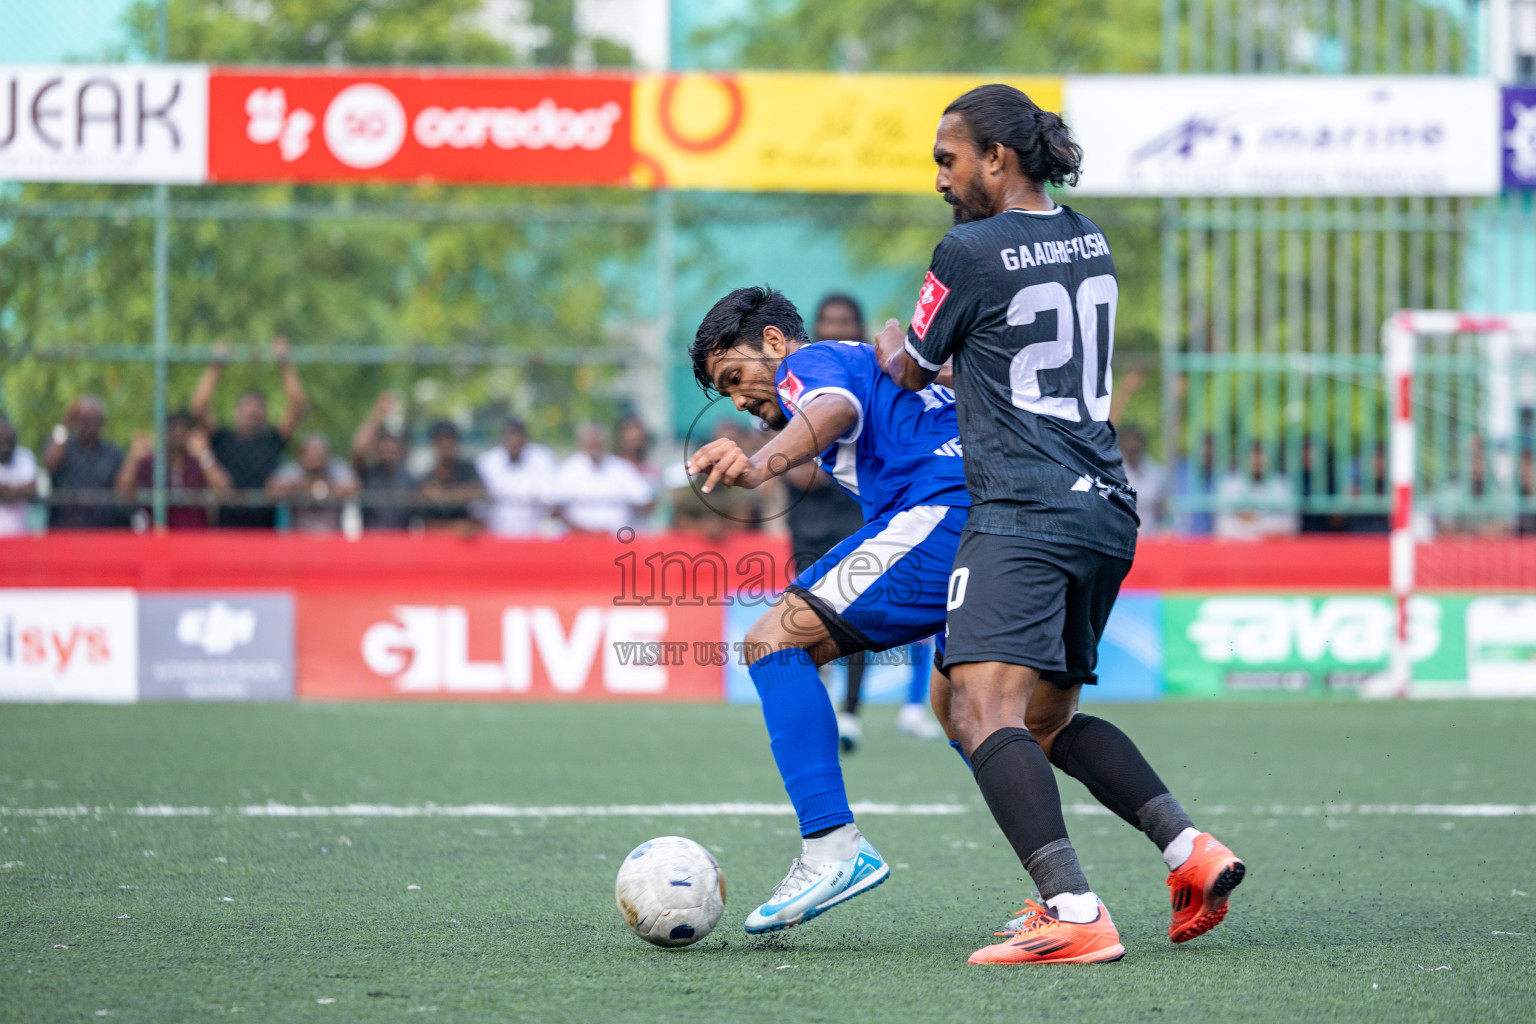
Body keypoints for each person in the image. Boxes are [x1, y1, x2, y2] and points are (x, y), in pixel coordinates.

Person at [874, 84, 1243, 965]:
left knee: (976, 706)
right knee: (1041, 721)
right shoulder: (1090, 235)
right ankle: (1189, 849)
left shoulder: (967, 249)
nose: (940, 177)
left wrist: (888, 346)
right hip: (1107, 511)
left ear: (996, 157)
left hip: (1023, 510)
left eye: (947, 158)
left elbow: (915, 368)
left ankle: (1073, 909)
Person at [685, 286, 967, 935]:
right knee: (990, 720)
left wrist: (757, 467)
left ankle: (832, 848)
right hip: (1004, 527)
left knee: (770, 643)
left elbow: (832, 407)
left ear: (777, 342)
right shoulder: (871, 363)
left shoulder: (808, 364)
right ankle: (1176, 848)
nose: (738, 399)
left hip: (943, 519)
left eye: (735, 377)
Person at [191, 337, 308, 528]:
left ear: (266, 414)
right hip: (226, 525)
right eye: (247, 408)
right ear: (237, 412)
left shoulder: (272, 440)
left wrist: (284, 364)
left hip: (265, 528)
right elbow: (198, 407)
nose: (253, 413)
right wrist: (216, 365)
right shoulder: (223, 438)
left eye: (258, 409)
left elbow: (298, 407)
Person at [114, 412, 232, 529]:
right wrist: (133, 458)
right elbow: (122, 493)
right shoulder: (150, 462)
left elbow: (224, 491)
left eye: (183, 429)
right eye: (173, 429)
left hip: (194, 534)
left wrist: (204, 455)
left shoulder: (198, 463)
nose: (178, 433)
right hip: (157, 535)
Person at [551, 423, 654, 535]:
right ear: (581, 444)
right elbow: (555, 510)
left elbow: (646, 501)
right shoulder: (568, 470)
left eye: (598, 443)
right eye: (591, 444)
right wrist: (585, 532)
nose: (595, 447)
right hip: (578, 539)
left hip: (617, 540)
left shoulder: (621, 468)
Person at [42, 396, 124, 529]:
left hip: (101, 531)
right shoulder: (63, 445)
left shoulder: (112, 453)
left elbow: (122, 492)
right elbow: (50, 464)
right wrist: (65, 425)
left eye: (95, 420)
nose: (91, 426)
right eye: (85, 420)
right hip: (64, 530)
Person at [475, 418, 558, 538]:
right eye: (511, 435)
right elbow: (479, 505)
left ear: (527, 438)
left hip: (533, 536)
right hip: (496, 536)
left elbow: (550, 499)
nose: (515, 440)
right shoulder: (487, 462)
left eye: (519, 435)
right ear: (502, 438)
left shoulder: (541, 459)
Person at [266, 433, 358, 533]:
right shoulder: (294, 469)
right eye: (311, 454)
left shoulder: (336, 468)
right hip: (299, 536)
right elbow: (273, 489)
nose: (315, 460)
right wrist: (305, 489)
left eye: (319, 455)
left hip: (333, 535)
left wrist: (322, 489)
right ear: (301, 455)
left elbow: (354, 487)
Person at [350, 393, 415, 531]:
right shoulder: (367, 473)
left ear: (400, 447)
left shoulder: (409, 477)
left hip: (402, 545)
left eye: (392, 443)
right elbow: (358, 448)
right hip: (371, 543)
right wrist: (378, 414)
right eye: (384, 442)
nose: (388, 447)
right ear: (376, 447)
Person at [1214, 440, 1298, 541]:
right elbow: (1223, 527)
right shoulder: (1230, 484)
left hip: (1273, 551)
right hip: (1238, 551)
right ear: (1245, 459)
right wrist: (1264, 529)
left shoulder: (1281, 485)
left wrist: (1253, 522)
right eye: (1254, 455)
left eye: (1261, 455)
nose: (1258, 460)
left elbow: (1289, 525)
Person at [415, 421, 486, 531]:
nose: (446, 444)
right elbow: (427, 523)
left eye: (450, 439)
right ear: (434, 443)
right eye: (441, 440)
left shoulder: (468, 469)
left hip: (467, 537)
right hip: (439, 538)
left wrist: (443, 496)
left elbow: (479, 492)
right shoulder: (428, 477)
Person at [1119, 425, 1168, 535]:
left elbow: (1162, 507)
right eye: (1128, 441)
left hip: (1151, 537)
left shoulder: (1154, 471)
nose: (1133, 446)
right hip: (1122, 537)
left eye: (1136, 441)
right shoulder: (1114, 472)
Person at [0, 417, 38, 537]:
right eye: (1, 442)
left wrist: (7, 491)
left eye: (9, 442)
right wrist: (19, 490)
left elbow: (32, 490)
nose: (5, 447)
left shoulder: (25, 457)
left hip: (19, 537)